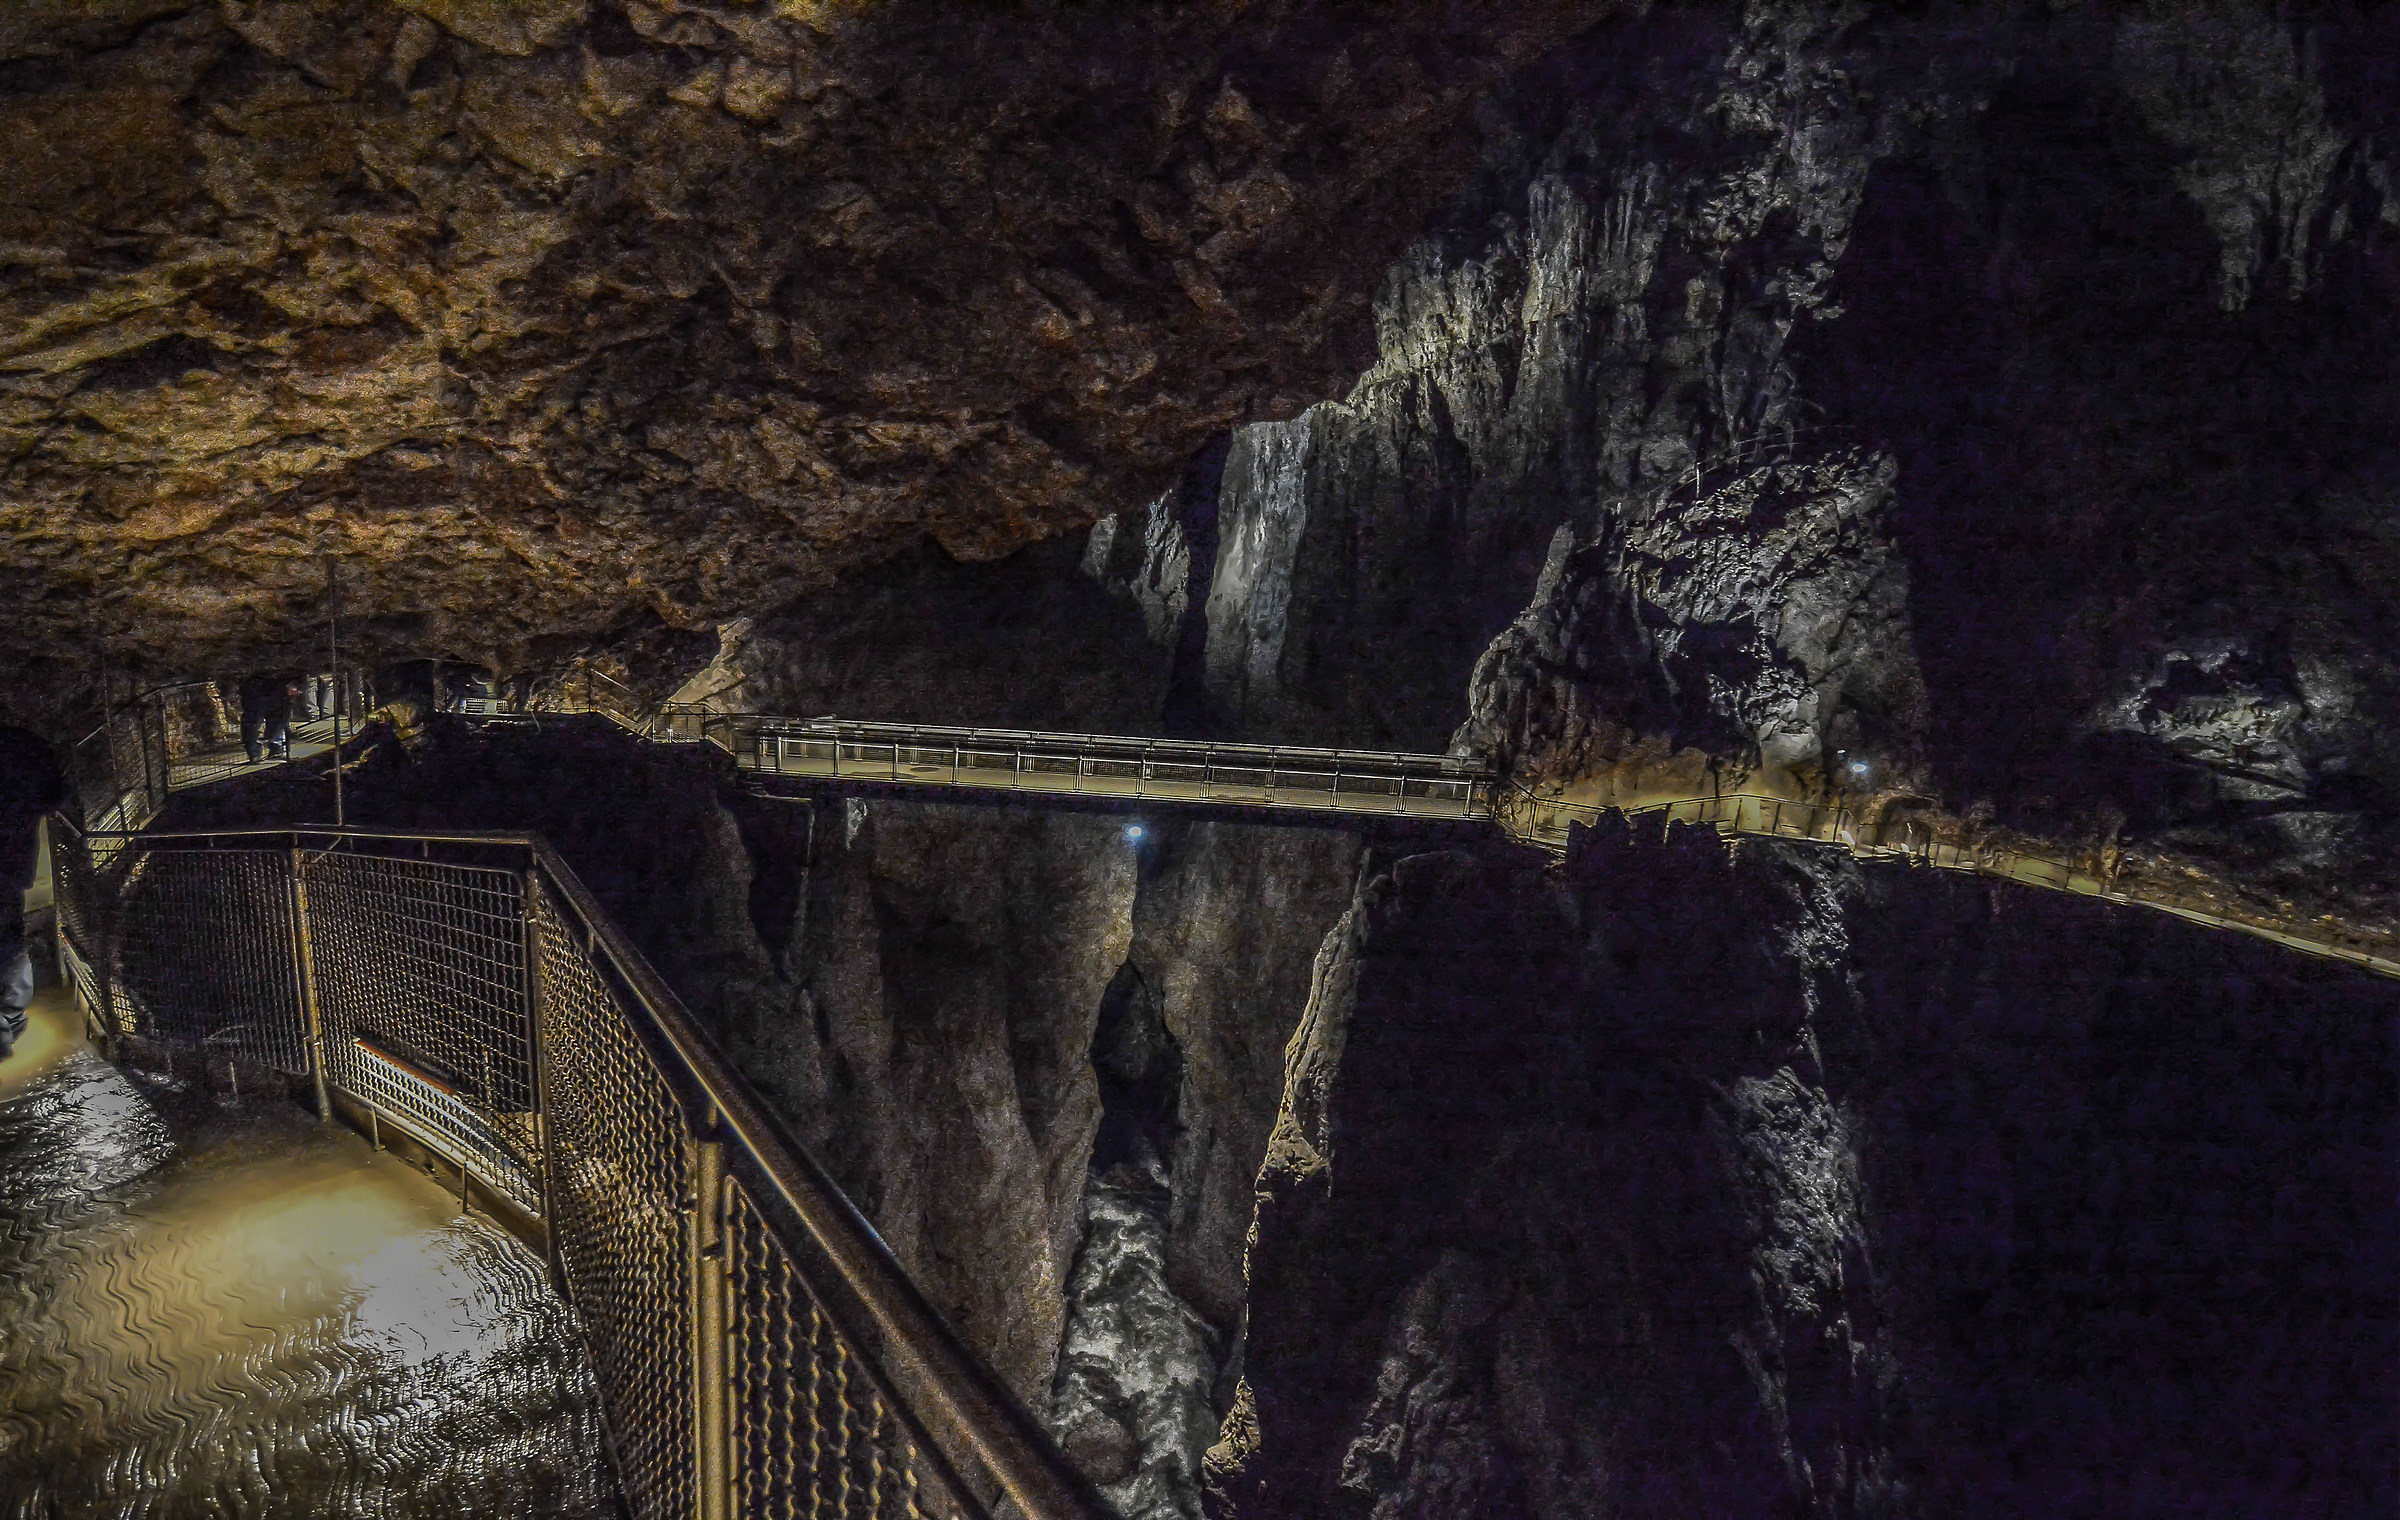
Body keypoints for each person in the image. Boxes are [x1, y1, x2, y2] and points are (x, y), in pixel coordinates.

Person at [0, 726, 66, 1060]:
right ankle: (9, 1026)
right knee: (9, 942)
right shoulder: (25, 745)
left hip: (10, 863)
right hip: (10, 862)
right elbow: (53, 795)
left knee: (8, 944)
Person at [236, 673, 295, 763]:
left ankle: (259, 752)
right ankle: (272, 748)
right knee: (271, 719)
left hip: (259, 686)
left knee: (254, 721)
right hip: (269, 685)